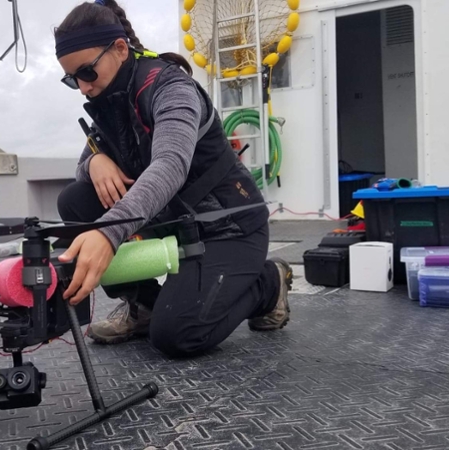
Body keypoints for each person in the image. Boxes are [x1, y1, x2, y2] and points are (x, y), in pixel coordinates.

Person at [53, 0, 292, 358]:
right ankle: (145, 305)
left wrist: (108, 231)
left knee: (178, 335)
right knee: (75, 199)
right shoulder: (107, 98)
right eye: (72, 80)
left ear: (119, 49)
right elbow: (86, 163)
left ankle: (268, 283)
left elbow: (170, 163)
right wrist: (95, 162)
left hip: (228, 226)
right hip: (177, 223)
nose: (83, 88)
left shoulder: (170, 88)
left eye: (87, 72)